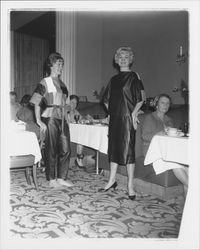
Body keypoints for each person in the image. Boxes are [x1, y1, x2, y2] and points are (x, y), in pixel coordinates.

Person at [100, 46, 146, 200]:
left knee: (128, 151)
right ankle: (111, 181)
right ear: (117, 60)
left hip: (127, 118)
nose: (123, 59)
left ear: (130, 59)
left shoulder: (134, 76)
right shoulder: (113, 79)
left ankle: (130, 186)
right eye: (121, 57)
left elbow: (141, 98)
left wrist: (134, 113)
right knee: (113, 149)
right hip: (115, 119)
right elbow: (106, 100)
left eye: (126, 57)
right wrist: (110, 114)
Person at [30, 52, 73, 188]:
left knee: (66, 148)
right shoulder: (45, 82)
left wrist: (67, 117)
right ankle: (51, 179)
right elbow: (37, 101)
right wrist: (38, 120)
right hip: (50, 118)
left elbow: (64, 103)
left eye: (62, 64)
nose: (61, 67)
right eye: (58, 64)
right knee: (51, 149)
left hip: (62, 119)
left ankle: (61, 177)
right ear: (51, 65)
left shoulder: (63, 84)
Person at [142, 93, 188, 196]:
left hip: (168, 152)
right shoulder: (150, 117)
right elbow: (144, 136)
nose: (165, 105)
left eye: (167, 103)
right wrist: (160, 133)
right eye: (162, 103)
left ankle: (189, 205)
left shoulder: (169, 120)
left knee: (188, 168)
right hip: (153, 153)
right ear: (156, 104)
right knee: (178, 166)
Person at [68, 94, 85, 168]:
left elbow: (81, 120)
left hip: (75, 133)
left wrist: (85, 119)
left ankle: (79, 159)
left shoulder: (76, 112)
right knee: (80, 136)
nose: (74, 105)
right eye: (72, 102)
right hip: (67, 132)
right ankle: (78, 159)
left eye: (75, 103)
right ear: (68, 102)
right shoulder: (65, 110)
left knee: (81, 137)